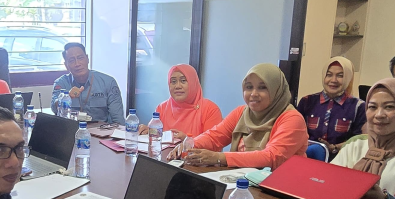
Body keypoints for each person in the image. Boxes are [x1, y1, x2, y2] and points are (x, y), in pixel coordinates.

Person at [170, 63, 308, 170]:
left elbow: (271, 157)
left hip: (280, 187)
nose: (253, 94)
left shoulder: (292, 119)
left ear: (276, 90)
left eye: (262, 87)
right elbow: (215, 136)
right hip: (243, 180)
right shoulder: (242, 112)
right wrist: (189, 145)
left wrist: (219, 157)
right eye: (249, 87)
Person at [295, 56, 366, 157]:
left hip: (340, 160)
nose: (333, 80)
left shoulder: (358, 106)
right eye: (329, 75)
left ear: (348, 78)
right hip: (307, 158)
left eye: (340, 76)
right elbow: (296, 133)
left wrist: (335, 148)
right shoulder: (307, 101)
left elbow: (359, 141)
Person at [50, 43, 126, 125]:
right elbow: (54, 108)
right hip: (71, 130)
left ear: (87, 59)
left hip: (101, 130)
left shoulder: (108, 82)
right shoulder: (61, 83)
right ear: (66, 65)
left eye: (80, 58)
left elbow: (118, 121)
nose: (77, 64)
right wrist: (67, 97)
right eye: (72, 60)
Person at [154, 64, 223, 143]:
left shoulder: (210, 109)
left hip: (195, 151)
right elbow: (155, 141)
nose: (177, 86)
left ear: (193, 83)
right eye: (173, 82)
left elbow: (214, 144)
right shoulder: (161, 108)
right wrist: (149, 132)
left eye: (183, 81)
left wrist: (188, 140)